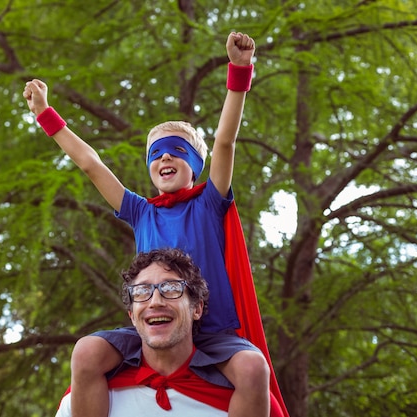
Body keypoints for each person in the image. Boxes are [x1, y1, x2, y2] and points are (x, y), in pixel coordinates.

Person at [24, 32, 287, 417]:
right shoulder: (140, 210)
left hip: (211, 332)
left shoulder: (210, 201)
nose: (165, 158)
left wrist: (239, 71)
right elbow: (91, 164)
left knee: (252, 368)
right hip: (154, 324)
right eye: (156, 154)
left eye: (176, 151)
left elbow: (225, 142)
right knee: (87, 352)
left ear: (195, 166)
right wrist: (45, 114)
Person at [55, 248, 264, 417]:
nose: (155, 301)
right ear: (131, 316)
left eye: (172, 288)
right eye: (142, 292)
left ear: (197, 309)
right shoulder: (87, 397)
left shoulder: (243, 399)